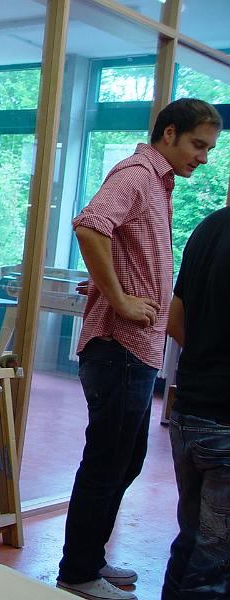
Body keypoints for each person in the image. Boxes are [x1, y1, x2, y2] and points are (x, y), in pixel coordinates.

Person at [57, 98, 222, 600]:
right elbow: (89, 224)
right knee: (107, 462)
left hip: (136, 352)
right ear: (168, 133)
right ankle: (78, 571)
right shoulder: (136, 174)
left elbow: (117, 245)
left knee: (125, 461)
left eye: (211, 149)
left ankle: (92, 559)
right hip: (118, 348)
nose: (204, 158)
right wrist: (118, 298)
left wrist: (115, 287)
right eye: (198, 145)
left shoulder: (159, 183)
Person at [162, 206, 230, 599]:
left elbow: (175, 320)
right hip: (225, 420)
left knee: (192, 539)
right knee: (216, 561)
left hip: (190, 411)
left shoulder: (209, 227)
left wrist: (209, 357)